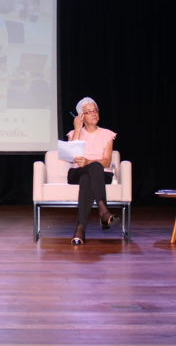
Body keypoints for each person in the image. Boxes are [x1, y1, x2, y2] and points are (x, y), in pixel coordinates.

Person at [66, 97, 119, 245]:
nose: (94, 114)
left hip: (101, 174)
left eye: (95, 110)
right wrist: (77, 129)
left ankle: (80, 228)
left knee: (90, 173)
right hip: (77, 172)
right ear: (81, 116)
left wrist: (89, 162)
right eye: (89, 112)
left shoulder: (107, 135)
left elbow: (107, 161)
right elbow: (71, 157)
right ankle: (103, 211)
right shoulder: (73, 133)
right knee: (88, 171)